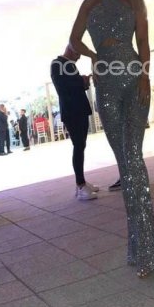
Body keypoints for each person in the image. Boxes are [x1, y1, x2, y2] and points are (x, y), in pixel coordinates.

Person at [69, 0, 154, 277]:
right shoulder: (89, 4)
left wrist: (145, 77)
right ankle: (140, 247)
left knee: (134, 159)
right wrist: (94, 56)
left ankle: (148, 251)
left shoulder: (135, 2)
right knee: (125, 164)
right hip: (107, 86)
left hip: (134, 81)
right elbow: (73, 41)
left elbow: (144, 43)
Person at [51, 44, 99, 200]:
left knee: (81, 145)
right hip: (72, 112)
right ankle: (80, 185)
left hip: (79, 110)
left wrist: (83, 83)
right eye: (78, 54)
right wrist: (81, 80)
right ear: (72, 49)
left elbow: (74, 86)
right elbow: (63, 88)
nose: (78, 58)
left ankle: (82, 181)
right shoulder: (57, 64)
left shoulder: (69, 65)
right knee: (78, 145)